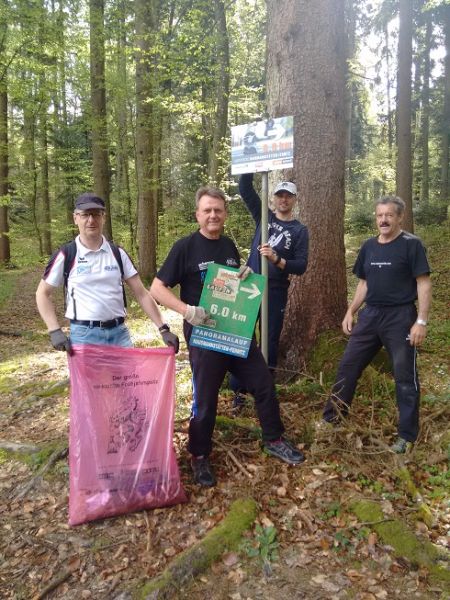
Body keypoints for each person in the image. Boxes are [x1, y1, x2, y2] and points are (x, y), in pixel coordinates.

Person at [150, 185, 305, 487]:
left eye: (218, 210)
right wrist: (187, 311)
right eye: (207, 210)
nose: (213, 215)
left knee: (262, 383)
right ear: (198, 214)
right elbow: (156, 288)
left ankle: (273, 439)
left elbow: (231, 284)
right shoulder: (185, 247)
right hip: (205, 337)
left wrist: (243, 274)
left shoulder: (229, 247)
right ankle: (199, 456)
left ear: (225, 214)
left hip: (236, 333)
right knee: (205, 400)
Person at [321, 195, 432, 453]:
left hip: (400, 318)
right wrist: (351, 311)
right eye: (380, 215)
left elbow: (423, 283)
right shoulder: (369, 246)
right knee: (347, 367)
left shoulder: (412, 245)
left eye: (389, 215)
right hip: (370, 317)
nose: (383, 220)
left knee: (405, 377)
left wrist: (421, 321)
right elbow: (364, 283)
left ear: (399, 217)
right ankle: (332, 420)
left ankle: (406, 435)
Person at [36, 192, 179, 354]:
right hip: (84, 335)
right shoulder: (66, 254)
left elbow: (142, 294)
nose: (91, 220)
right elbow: (42, 293)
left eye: (96, 214)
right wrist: (54, 330)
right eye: (85, 215)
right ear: (75, 218)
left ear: (103, 217)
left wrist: (163, 328)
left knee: (124, 380)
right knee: (91, 381)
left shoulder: (118, 253)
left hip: (119, 334)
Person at [230, 173, 309, 409]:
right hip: (250, 284)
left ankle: (265, 389)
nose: (283, 199)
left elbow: (301, 265)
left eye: (288, 196)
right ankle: (239, 392)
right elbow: (245, 188)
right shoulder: (263, 216)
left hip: (275, 290)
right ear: (273, 198)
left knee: (270, 340)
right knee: (243, 336)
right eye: (279, 195)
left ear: (294, 199)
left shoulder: (299, 230)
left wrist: (277, 260)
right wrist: (253, 164)